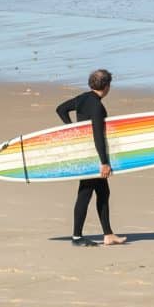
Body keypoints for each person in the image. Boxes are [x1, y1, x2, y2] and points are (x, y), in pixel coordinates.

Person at [58, 69, 125, 246]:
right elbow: (98, 136)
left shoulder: (83, 98)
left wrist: (73, 129)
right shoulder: (97, 107)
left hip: (85, 153)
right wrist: (104, 162)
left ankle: (108, 234)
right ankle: (77, 237)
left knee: (103, 192)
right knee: (85, 193)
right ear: (107, 86)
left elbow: (61, 109)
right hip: (93, 156)